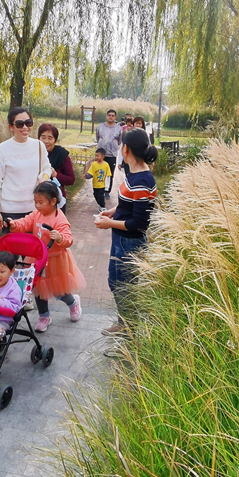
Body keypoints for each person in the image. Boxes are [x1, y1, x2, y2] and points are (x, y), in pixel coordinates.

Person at [94, 129, 158, 335]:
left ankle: (128, 328)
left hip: (129, 242)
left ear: (126, 149)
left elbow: (139, 224)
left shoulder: (142, 181)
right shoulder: (135, 174)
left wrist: (109, 224)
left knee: (123, 285)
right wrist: (113, 211)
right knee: (116, 282)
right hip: (121, 239)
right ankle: (126, 323)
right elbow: (129, 203)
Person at [9, 181, 85, 332]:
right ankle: (44, 316)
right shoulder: (37, 214)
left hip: (56, 259)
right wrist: (14, 225)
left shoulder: (59, 219)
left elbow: (69, 239)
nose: (37, 206)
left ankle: (73, 302)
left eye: (41, 202)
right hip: (37, 257)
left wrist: (60, 238)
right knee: (38, 287)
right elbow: (26, 222)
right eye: (35, 202)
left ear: (53, 201)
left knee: (59, 290)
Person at [0, 107, 52, 232]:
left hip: (35, 209)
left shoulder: (39, 145)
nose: (25, 127)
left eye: (28, 123)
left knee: (34, 245)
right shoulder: (1, 150)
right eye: (19, 124)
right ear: (11, 127)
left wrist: (44, 178)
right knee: (11, 245)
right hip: (9, 211)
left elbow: (47, 168)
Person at [38, 123, 76, 214]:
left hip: (56, 200)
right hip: (35, 200)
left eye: (50, 138)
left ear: (55, 140)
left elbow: (71, 179)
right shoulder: (33, 154)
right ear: (38, 138)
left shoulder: (62, 155)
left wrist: (56, 175)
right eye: (43, 137)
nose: (46, 141)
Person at [95, 109, 121, 197]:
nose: (111, 117)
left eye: (113, 115)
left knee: (109, 174)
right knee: (99, 172)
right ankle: (99, 190)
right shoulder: (100, 127)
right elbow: (97, 137)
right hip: (101, 155)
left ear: (115, 117)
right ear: (106, 116)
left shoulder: (118, 128)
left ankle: (107, 191)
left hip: (112, 155)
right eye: (109, 115)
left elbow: (120, 141)